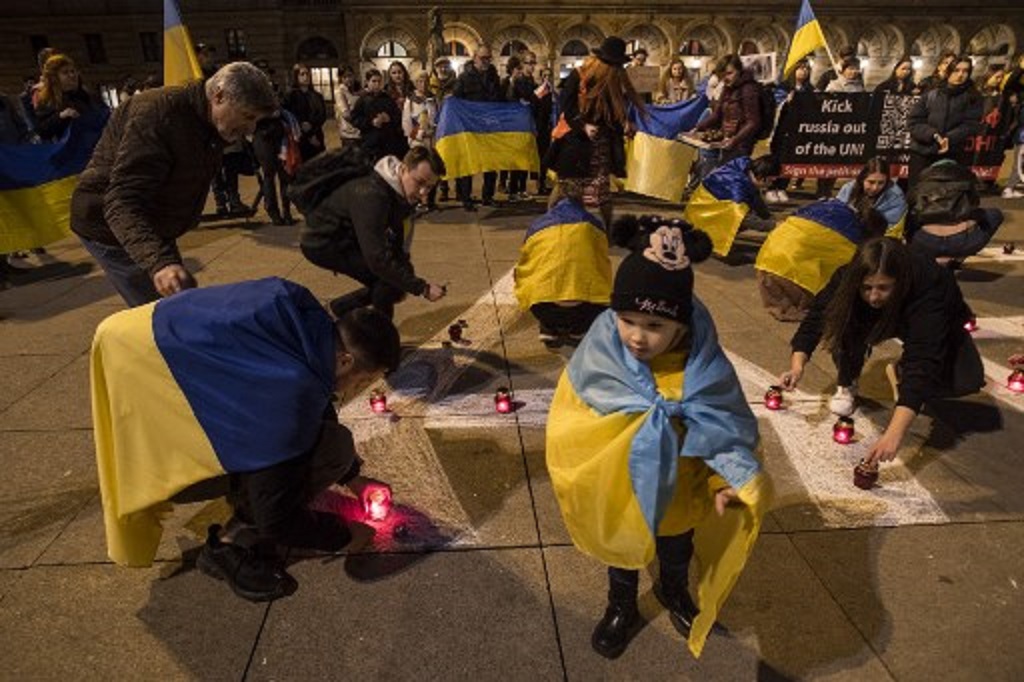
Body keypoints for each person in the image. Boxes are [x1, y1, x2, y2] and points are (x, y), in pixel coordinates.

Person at [90, 277, 401, 601]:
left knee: (312, 442)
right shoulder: (287, 392)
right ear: (346, 360)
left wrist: (354, 478)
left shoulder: (302, 316)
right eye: (361, 380)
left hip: (131, 340)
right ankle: (228, 545)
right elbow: (277, 518)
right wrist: (345, 533)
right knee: (329, 450)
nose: (353, 389)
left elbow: (315, 397)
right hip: (148, 378)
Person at [546, 216, 769, 659]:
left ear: (681, 327)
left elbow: (724, 427)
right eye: (627, 320)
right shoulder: (601, 361)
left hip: (680, 492)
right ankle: (621, 603)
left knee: (676, 547)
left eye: (654, 326)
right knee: (622, 552)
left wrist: (726, 478)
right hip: (623, 487)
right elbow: (574, 418)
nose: (637, 336)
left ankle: (673, 590)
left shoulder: (704, 370)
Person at [70, 62, 279, 307]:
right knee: (162, 313)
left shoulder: (208, 123)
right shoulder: (159, 115)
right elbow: (122, 202)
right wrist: (160, 262)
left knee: (179, 298)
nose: (251, 128)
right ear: (219, 96)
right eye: (248, 116)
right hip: (110, 225)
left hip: (155, 222)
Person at [779, 237, 984, 465]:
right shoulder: (846, 278)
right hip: (878, 316)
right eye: (866, 288)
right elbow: (815, 320)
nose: (873, 296)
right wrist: (797, 367)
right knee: (844, 320)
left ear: (900, 281)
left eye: (883, 287)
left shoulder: (929, 285)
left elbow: (924, 358)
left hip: (927, 316)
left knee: (966, 380)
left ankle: (900, 371)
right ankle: (848, 380)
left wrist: (893, 435)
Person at [295, 145, 448, 319]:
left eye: (429, 188)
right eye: (420, 182)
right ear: (404, 169)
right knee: (385, 281)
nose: (423, 193)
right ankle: (382, 340)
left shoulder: (399, 192)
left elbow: (398, 241)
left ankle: (337, 310)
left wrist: (407, 272)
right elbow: (377, 259)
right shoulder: (372, 196)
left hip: (349, 236)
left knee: (397, 282)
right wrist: (423, 288)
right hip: (322, 241)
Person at [546, 36, 644, 228]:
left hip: (602, 143)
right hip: (575, 141)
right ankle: (548, 223)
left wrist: (624, 124)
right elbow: (566, 106)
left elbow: (615, 111)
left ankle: (607, 231)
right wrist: (583, 125)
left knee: (602, 190)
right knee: (566, 186)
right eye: (613, 65)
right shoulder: (579, 76)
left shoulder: (615, 79)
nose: (616, 69)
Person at [513, 196, 611, 347]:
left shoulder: (537, 225)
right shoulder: (593, 224)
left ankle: (548, 327)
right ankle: (579, 329)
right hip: (584, 308)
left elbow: (525, 261)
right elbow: (603, 267)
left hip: (543, 306)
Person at [906, 160, 1003, 264]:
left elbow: (910, 211)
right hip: (961, 242)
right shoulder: (967, 183)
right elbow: (975, 206)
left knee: (909, 218)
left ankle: (926, 255)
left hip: (926, 242)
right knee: (995, 214)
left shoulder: (920, 185)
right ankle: (957, 255)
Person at [907, 55, 983, 186]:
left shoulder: (973, 97)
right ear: (949, 71)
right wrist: (933, 134)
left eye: (965, 71)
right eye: (956, 70)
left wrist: (949, 138)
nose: (960, 75)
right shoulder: (931, 94)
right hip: (922, 152)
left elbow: (971, 124)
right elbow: (914, 121)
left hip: (953, 153)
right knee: (918, 193)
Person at [452, 45, 504, 211]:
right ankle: (466, 198)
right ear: (475, 58)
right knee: (468, 165)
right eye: (483, 58)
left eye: (489, 58)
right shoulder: (464, 78)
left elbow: (500, 99)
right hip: (470, 129)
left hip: (489, 127)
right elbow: (456, 101)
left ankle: (488, 196)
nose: (486, 61)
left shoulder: (493, 76)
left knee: (491, 164)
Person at [692, 54, 762, 166]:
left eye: (730, 73)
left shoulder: (748, 89)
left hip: (741, 143)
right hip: (726, 140)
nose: (726, 78)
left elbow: (753, 121)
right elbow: (717, 114)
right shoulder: (727, 87)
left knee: (730, 177)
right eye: (723, 74)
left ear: (739, 71)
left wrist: (735, 140)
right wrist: (698, 127)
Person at [767, 58, 815, 203]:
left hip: (797, 131)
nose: (804, 71)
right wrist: (786, 102)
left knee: (790, 160)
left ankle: (782, 187)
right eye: (801, 68)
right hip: (781, 130)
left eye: (806, 69)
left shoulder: (810, 89)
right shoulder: (784, 87)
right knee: (776, 159)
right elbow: (774, 105)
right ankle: (771, 187)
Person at [31, 54, 107, 142]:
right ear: (54, 78)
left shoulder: (89, 95)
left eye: (73, 71)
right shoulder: (47, 101)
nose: (72, 75)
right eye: (65, 72)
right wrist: (61, 116)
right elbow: (42, 131)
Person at [836, 157, 908, 235]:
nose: (875, 188)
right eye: (871, 182)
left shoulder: (895, 197)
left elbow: (891, 231)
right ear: (862, 179)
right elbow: (836, 215)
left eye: (881, 183)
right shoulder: (848, 188)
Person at [350, 68, 408, 163]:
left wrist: (389, 118)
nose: (377, 84)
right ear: (367, 82)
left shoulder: (387, 98)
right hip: (370, 143)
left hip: (388, 144)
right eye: (374, 81)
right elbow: (355, 119)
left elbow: (398, 116)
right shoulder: (362, 100)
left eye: (379, 81)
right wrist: (371, 122)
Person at [402, 71, 439, 209]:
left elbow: (437, 117)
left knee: (432, 170)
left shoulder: (433, 99)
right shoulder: (410, 100)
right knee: (419, 171)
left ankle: (431, 200)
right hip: (418, 142)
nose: (423, 84)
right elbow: (406, 125)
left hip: (432, 140)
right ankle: (417, 200)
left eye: (425, 81)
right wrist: (419, 135)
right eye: (419, 81)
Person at [284, 63, 327, 163]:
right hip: (300, 139)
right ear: (296, 76)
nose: (306, 77)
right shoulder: (290, 96)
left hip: (317, 135)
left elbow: (322, 115)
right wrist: (306, 132)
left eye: (307, 74)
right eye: (302, 74)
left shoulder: (317, 96)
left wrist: (312, 127)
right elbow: (289, 115)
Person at [333, 66, 361, 150]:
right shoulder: (340, 91)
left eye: (350, 76)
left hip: (359, 133)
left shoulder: (355, 89)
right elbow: (346, 114)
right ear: (341, 78)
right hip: (349, 134)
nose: (348, 79)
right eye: (345, 77)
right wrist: (362, 121)